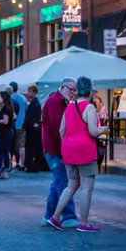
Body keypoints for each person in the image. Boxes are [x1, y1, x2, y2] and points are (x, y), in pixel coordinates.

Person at [47, 77, 108, 233]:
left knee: (71, 185)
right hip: (85, 150)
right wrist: (104, 130)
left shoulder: (69, 106)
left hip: (69, 149)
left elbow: (62, 130)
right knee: (87, 187)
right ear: (90, 91)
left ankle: (55, 217)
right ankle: (85, 223)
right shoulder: (89, 107)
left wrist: (67, 143)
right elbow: (93, 131)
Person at [41, 78, 79, 227]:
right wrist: (66, 150)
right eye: (71, 90)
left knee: (58, 182)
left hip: (55, 148)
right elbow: (59, 129)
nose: (73, 93)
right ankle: (68, 216)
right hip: (54, 149)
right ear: (62, 87)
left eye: (75, 90)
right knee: (63, 182)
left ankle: (49, 215)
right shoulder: (55, 102)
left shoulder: (61, 102)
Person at [0, 91, 15, 179]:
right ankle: (5, 171)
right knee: (6, 151)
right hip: (8, 132)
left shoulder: (5, 108)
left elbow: (5, 121)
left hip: (3, 132)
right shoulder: (9, 107)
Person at [24, 84, 44, 173]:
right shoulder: (35, 103)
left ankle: (32, 165)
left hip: (32, 129)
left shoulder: (35, 103)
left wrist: (30, 124)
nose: (28, 93)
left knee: (32, 147)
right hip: (32, 128)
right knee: (32, 147)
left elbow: (33, 116)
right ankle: (31, 165)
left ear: (34, 92)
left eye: (29, 92)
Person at [10, 82, 27, 170]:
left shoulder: (9, 98)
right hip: (22, 124)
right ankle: (22, 163)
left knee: (11, 145)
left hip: (12, 124)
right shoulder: (23, 98)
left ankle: (10, 163)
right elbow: (26, 110)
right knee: (21, 145)